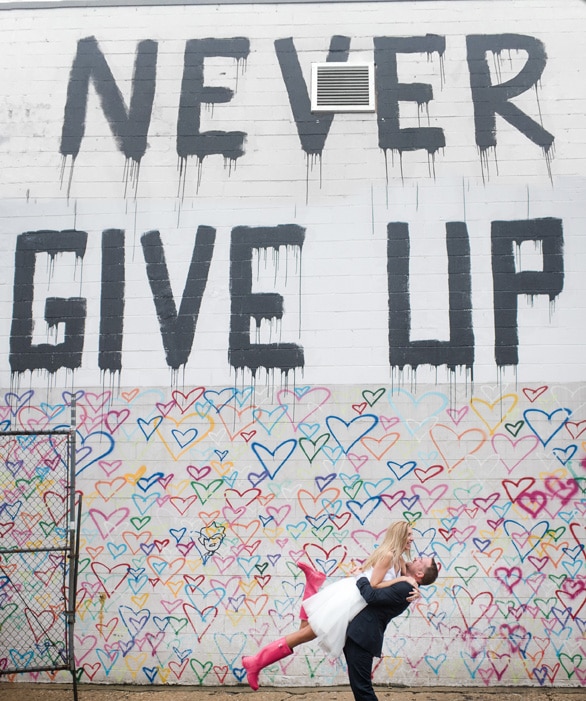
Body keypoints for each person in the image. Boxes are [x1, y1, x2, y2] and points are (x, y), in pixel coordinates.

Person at [242, 521, 415, 690]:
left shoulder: (399, 560)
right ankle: (255, 662)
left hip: (356, 603)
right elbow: (375, 585)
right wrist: (401, 578)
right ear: (399, 535)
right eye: (409, 534)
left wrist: (415, 590)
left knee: (306, 631)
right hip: (351, 600)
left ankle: (312, 583)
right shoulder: (388, 556)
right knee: (306, 633)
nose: (411, 538)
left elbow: (410, 584)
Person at [344, 556, 439, 701]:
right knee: (360, 687)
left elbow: (370, 596)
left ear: (419, 574)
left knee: (362, 689)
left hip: (363, 636)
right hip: (360, 634)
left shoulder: (406, 588)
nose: (415, 558)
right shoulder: (404, 582)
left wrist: (360, 576)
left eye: (420, 560)